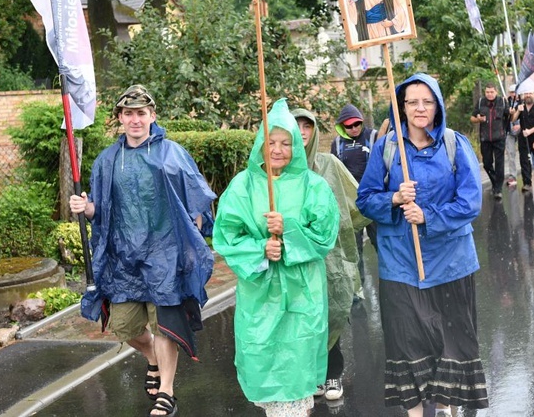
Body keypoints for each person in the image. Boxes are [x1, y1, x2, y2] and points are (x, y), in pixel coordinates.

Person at [70, 84, 216, 417]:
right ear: (119, 118)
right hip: (124, 260)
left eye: (141, 113)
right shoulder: (108, 160)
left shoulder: (172, 153)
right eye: (128, 114)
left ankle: (167, 391)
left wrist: (191, 244)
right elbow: (101, 209)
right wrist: (86, 207)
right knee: (124, 326)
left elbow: (195, 200)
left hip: (164, 255)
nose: (135, 120)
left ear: (152, 116)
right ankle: (152, 358)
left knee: (165, 323)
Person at [357, 73, 488, 417]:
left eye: (427, 101)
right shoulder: (387, 148)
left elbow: (470, 202)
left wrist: (428, 216)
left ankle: (445, 407)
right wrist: (394, 198)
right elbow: (365, 199)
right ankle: (415, 412)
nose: (420, 108)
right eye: (412, 101)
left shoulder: (455, 144)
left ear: (438, 106)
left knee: (449, 342)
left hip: (451, 263)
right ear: (401, 107)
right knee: (406, 343)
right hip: (400, 264)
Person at [213, 98, 340, 417]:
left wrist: (290, 232)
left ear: (297, 145)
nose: (279, 149)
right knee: (268, 378)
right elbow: (227, 236)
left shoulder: (314, 186)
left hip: (301, 296)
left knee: (295, 385)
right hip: (260, 299)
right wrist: (261, 251)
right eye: (271, 142)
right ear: (260, 143)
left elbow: (324, 236)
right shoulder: (242, 186)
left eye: (286, 142)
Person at [292, 107, 368, 404]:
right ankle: (313, 374)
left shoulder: (328, 164)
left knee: (331, 309)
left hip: (329, 254)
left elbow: (355, 200)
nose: (301, 132)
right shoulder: (280, 171)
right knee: (303, 314)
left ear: (314, 131)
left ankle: (333, 371)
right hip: (297, 257)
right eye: (295, 126)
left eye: (306, 126)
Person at [332, 104, 378, 289]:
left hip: (373, 200)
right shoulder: (337, 144)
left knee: (382, 243)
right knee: (354, 249)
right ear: (342, 126)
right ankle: (357, 288)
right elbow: (333, 173)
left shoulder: (373, 136)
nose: (354, 129)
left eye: (357, 124)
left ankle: (392, 282)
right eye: (349, 126)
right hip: (351, 205)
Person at [470, 82, 510, 199]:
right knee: (487, 164)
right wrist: (478, 119)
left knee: (499, 164)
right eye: (487, 92)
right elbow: (472, 118)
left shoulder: (502, 102)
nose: (489, 94)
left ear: (496, 92)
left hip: (499, 138)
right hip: (485, 138)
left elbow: (510, 117)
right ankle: (495, 182)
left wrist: (512, 112)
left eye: (492, 92)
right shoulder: (481, 102)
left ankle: (498, 190)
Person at [513, 91, 534, 193]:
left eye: (530, 93)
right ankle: (527, 183)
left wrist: (530, 131)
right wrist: (518, 111)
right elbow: (512, 119)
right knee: (524, 160)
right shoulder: (520, 107)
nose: (528, 95)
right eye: (526, 93)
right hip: (523, 138)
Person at [505, 84, 521, 188]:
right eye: (511, 92)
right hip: (509, 131)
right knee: (511, 154)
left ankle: (527, 174)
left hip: (521, 130)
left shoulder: (523, 102)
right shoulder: (506, 102)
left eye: (515, 92)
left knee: (524, 154)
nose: (513, 94)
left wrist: (520, 125)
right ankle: (512, 175)